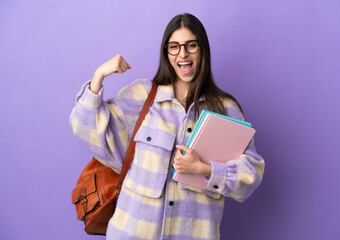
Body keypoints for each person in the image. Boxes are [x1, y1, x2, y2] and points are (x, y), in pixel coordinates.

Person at [70, 13, 265, 240]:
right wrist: (98, 77)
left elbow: (251, 173)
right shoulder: (142, 96)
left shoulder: (225, 108)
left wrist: (204, 169)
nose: (183, 54)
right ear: (166, 53)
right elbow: (87, 127)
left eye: (191, 45)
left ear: (202, 50)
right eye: (174, 47)